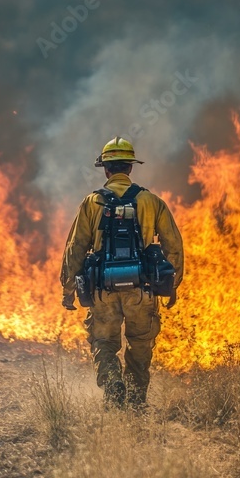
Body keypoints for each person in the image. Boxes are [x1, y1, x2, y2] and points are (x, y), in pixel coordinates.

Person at [61, 136, 183, 409]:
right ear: (130, 167)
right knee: (140, 343)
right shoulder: (152, 201)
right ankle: (136, 400)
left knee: (104, 341)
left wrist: (68, 289)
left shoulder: (91, 203)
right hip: (142, 290)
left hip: (102, 290)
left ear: (106, 169)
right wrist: (172, 284)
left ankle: (113, 382)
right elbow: (173, 246)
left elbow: (75, 249)